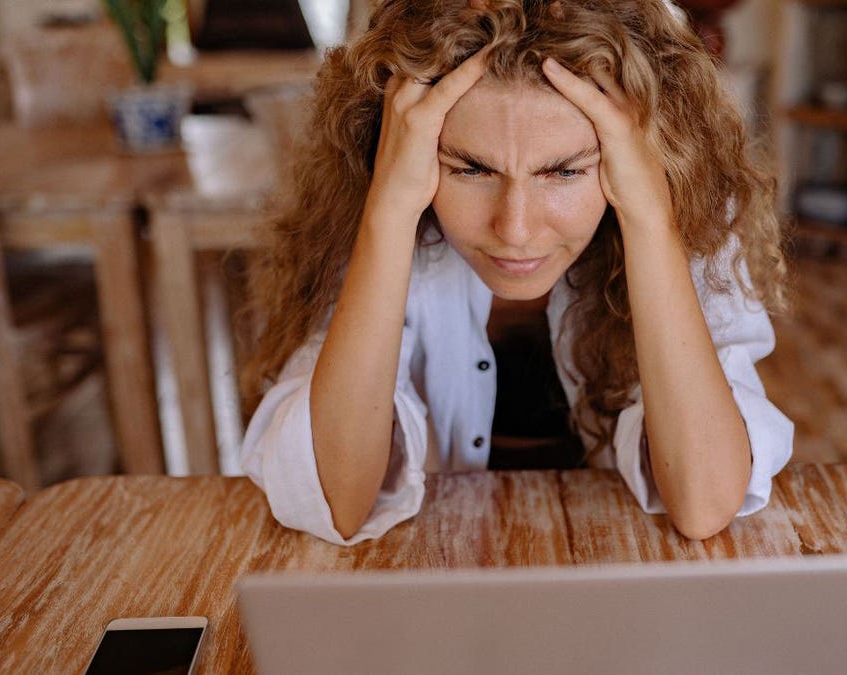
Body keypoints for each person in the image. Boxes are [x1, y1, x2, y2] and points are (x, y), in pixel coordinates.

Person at [241, 0, 793, 545]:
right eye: (471, 168)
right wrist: (388, 211)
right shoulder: (371, 213)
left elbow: (705, 504)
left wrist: (648, 219)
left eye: (564, 171)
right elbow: (335, 502)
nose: (516, 230)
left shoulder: (691, 221)